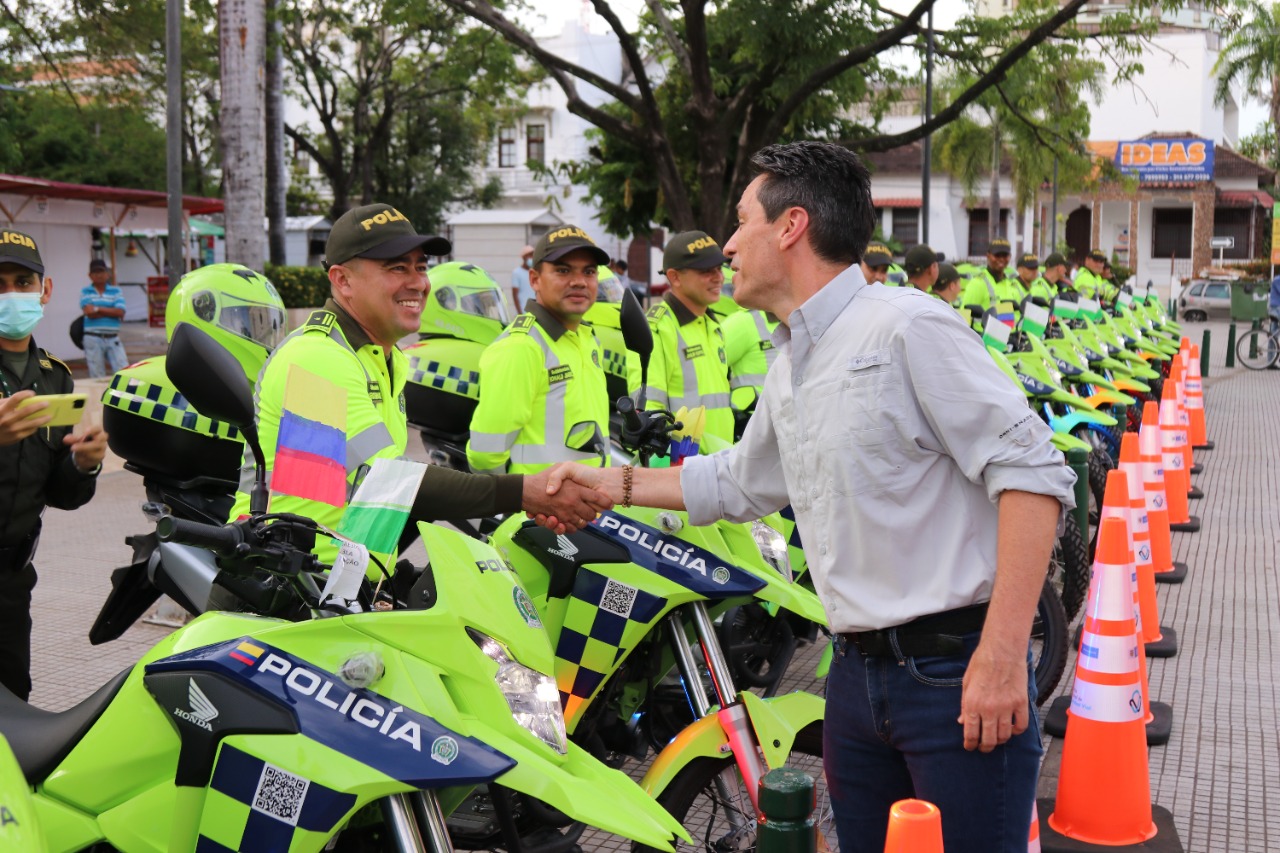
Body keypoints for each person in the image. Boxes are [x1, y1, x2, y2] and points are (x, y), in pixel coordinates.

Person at [538, 142, 1075, 853]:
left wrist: (1005, 655)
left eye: (740, 222)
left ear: (790, 226)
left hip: (951, 677)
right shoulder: (790, 358)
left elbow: (1035, 475)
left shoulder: (908, 327)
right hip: (853, 678)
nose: (727, 244)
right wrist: (613, 485)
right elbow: (739, 480)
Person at [227, 204, 611, 561]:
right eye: (397, 268)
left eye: (421, 267)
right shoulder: (317, 356)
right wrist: (525, 492)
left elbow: (368, 498)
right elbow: (386, 479)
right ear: (342, 280)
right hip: (275, 580)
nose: (418, 283)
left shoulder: (384, 356)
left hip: (333, 580)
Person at [0, 229, 107, 700]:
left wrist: (84, 463)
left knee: (13, 704)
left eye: (23, 282)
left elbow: (61, 496)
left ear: (45, 292)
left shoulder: (54, 377)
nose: (11, 294)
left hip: (11, 582)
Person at [468, 226, 611, 475]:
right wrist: (525, 503)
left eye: (589, 272)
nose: (579, 281)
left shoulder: (586, 339)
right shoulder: (520, 346)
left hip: (589, 504)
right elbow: (485, 456)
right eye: (563, 270)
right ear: (535, 279)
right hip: (540, 510)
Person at [645, 230, 734, 447]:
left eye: (719, 268)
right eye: (706, 271)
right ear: (674, 277)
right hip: (684, 465)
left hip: (722, 458)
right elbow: (650, 409)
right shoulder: (656, 328)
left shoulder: (712, 324)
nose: (718, 277)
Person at [80, 258, 129, 378]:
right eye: (95, 272)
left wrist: (97, 309)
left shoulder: (116, 290)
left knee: (123, 372)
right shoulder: (85, 291)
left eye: (101, 272)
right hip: (93, 338)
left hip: (113, 337)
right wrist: (110, 310)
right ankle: (98, 397)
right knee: (97, 375)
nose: (99, 275)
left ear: (107, 274)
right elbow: (88, 312)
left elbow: (120, 312)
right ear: (90, 275)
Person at [959, 237, 1026, 313]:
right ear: (988, 256)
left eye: (1005, 255)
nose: (1001, 259)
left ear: (1009, 257)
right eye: (997, 255)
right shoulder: (978, 283)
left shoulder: (1010, 284)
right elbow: (963, 315)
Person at [511, 244, 535, 313]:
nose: (532, 258)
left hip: (535, 311)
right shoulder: (516, 272)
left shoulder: (535, 272)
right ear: (524, 257)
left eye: (533, 255)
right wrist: (519, 312)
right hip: (523, 311)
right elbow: (515, 295)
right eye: (530, 255)